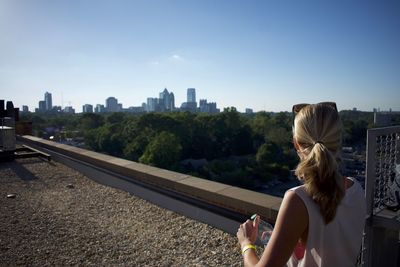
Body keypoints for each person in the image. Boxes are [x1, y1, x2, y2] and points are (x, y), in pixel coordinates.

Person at [237, 102, 366, 267]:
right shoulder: (356, 189)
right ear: (338, 140)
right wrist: (293, 236)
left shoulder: (297, 199)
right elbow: (332, 242)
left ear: (296, 143)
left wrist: (246, 243)